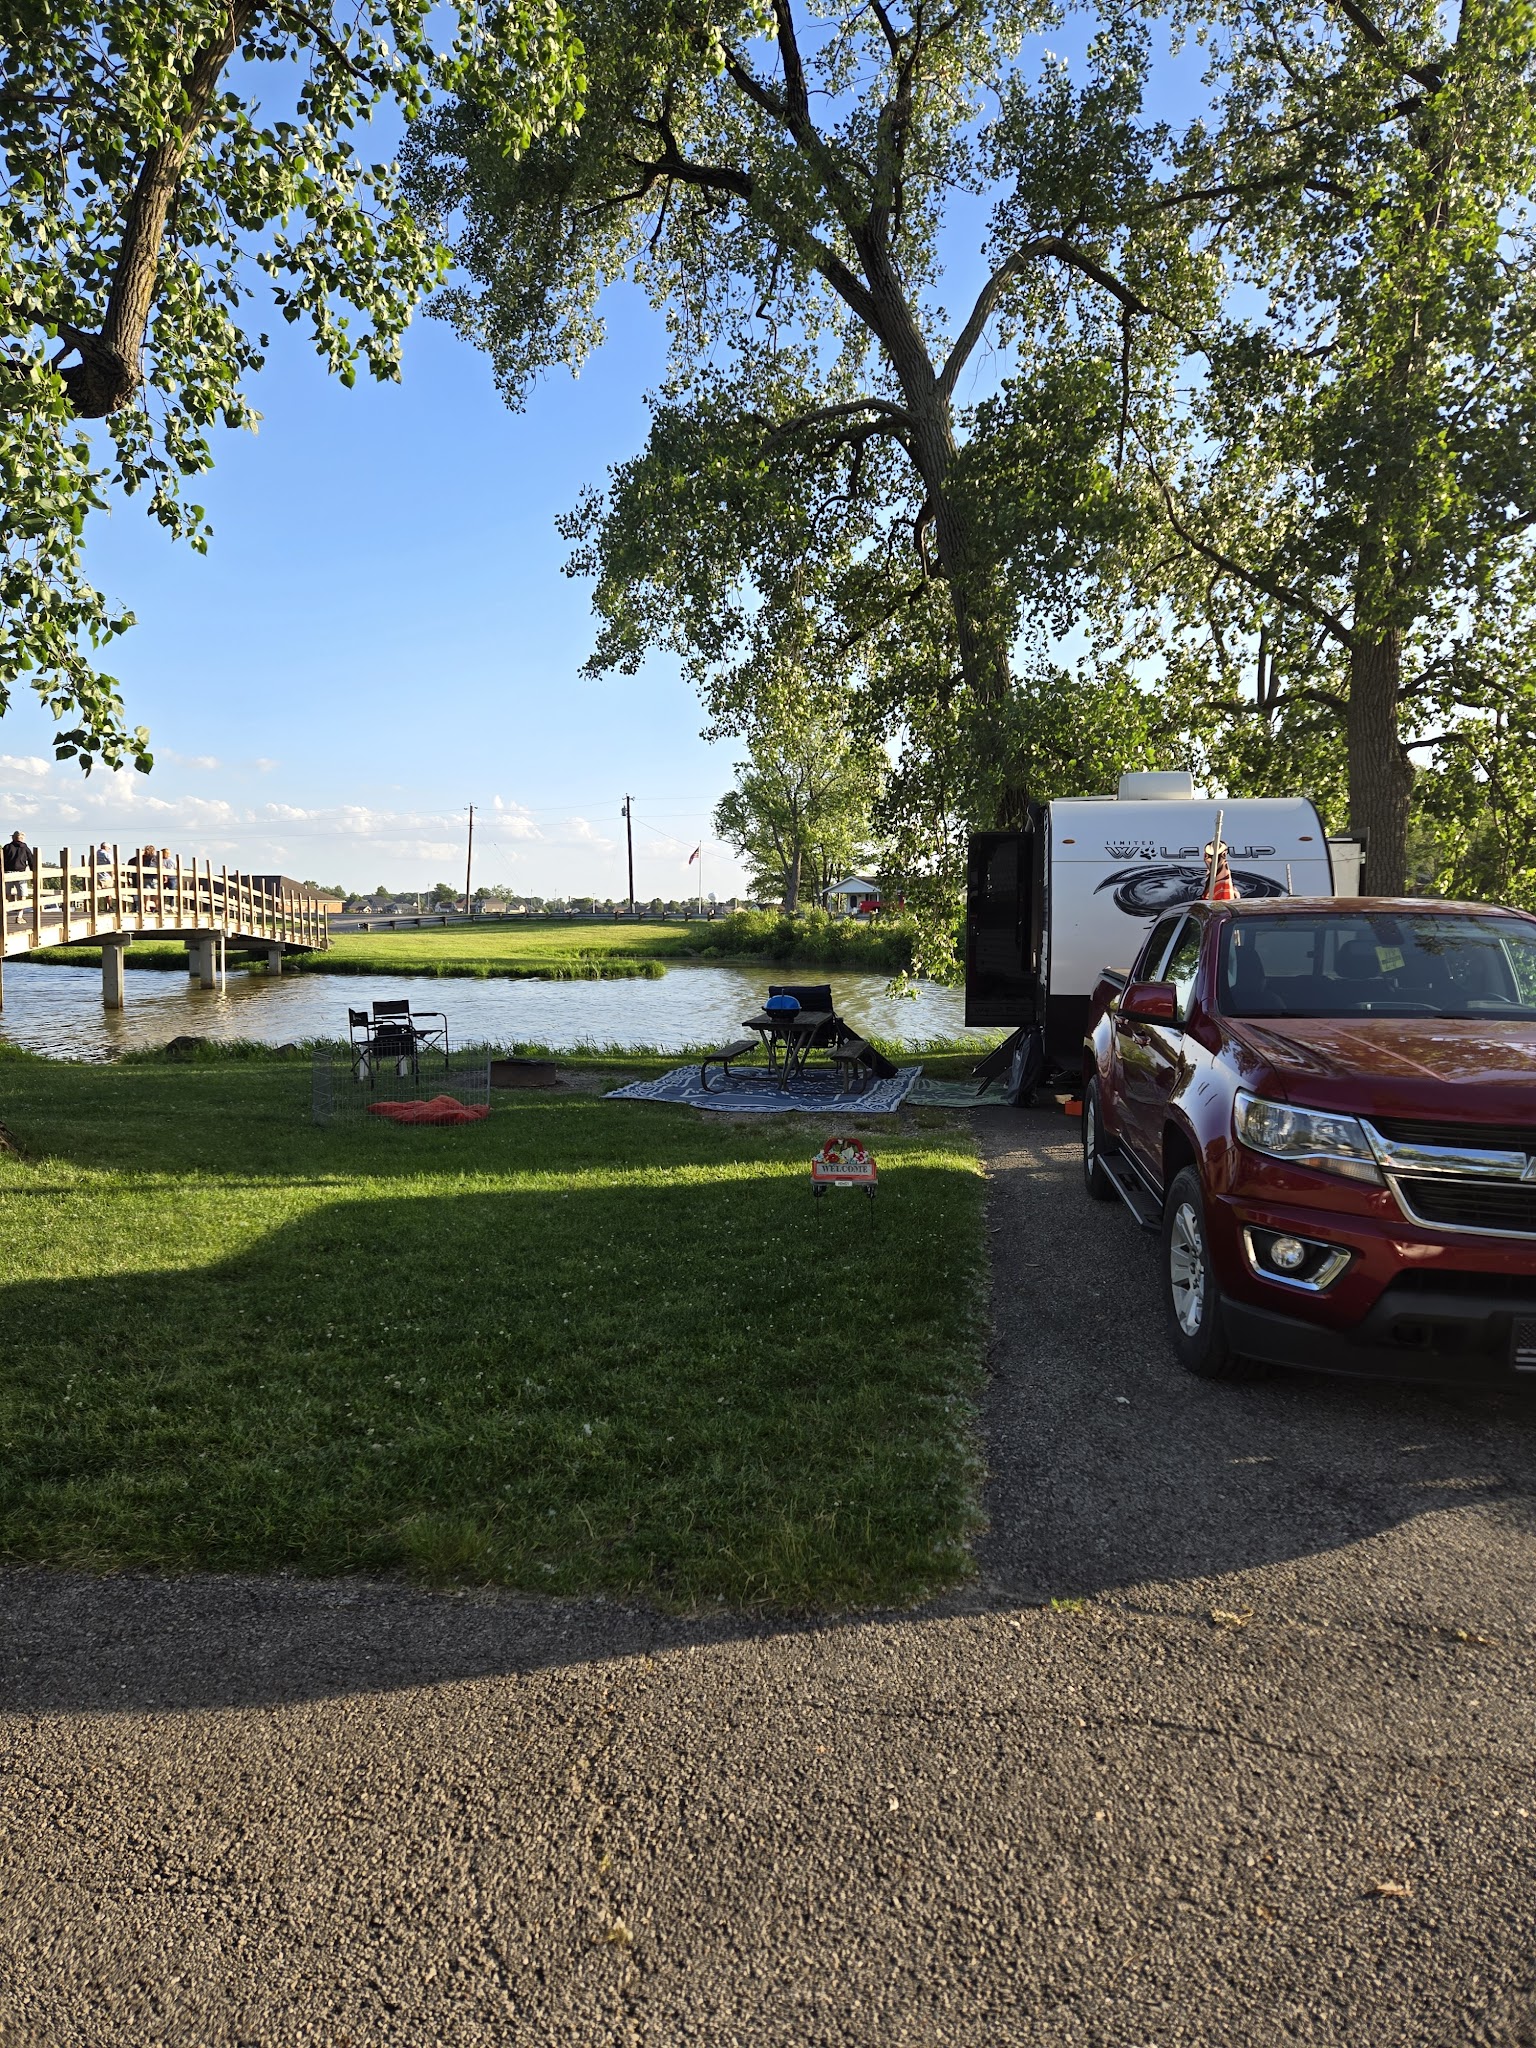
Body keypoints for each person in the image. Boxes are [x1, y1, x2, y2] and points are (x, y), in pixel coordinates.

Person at [3, 829, 33, 902]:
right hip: (21, 873)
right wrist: (33, 872)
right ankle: (21, 908)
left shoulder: (7, 847)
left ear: (13, 838)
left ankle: (7, 908)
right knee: (22, 894)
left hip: (8, 873)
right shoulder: (25, 848)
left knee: (6, 894)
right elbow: (31, 861)